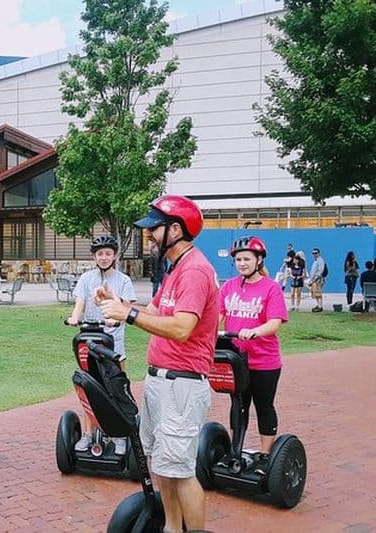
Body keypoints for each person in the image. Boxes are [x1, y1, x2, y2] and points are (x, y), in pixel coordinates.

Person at [97, 195, 218, 533]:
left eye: (154, 229)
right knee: (163, 467)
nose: (148, 235)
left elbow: (182, 327)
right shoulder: (176, 269)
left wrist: (128, 315)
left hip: (181, 385)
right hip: (161, 383)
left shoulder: (195, 270)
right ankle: (171, 528)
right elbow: (158, 312)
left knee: (181, 471)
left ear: (176, 230)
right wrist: (119, 303)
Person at [219, 236, 288, 476]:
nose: (242, 263)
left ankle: (266, 455)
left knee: (263, 405)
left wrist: (254, 331)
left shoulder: (271, 287)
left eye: (247, 259)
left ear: (258, 260)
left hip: (264, 361)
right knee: (238, 405)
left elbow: (275, 322)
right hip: (235, 359)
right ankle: (235, 451)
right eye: (238, 259)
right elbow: (217, 315)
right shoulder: (228, 286)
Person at [67, 235, 137, 455]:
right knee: (89, 391)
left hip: (114, 346)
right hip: (90, 343)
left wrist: (116, 317)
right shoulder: (87, 278)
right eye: (100, 254)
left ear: (114, 255)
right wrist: (74, 317)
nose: (104, 257)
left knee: (116, 391)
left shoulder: (123, 280)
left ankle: (119, 437)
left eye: (108, 253)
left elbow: (126, 308)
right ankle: (88, 435)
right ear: (94, 256)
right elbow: (80, 303)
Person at [307, 248, 326, 312]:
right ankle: (318, 305)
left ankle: (320, 306)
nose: (314, 254)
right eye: (313, 253)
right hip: (314, 279)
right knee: (315, 293)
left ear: (319, 253)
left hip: (318, 279)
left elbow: (320, 270)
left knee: (318, 292)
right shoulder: (315, 261)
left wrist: (315, 279)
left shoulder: (320, 260)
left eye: (316, 253)